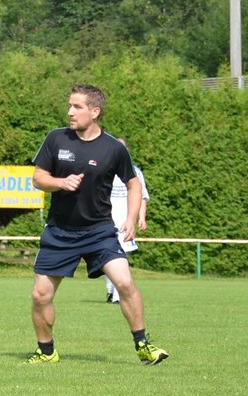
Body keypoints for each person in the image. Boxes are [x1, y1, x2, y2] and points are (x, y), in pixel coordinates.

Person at [26, 84, 167, 366]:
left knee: (124, 282)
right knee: (40, 295)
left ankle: (143, 346)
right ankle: (46, 351)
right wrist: (60, 182)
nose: (70, 111)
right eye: (70, 105)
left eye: (77, 107)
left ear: (95, 111)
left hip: (99, 232)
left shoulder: (113, 148)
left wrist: (131, 218)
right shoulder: (56, 139)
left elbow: (134, 183)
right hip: (60, 231)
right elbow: (38, 178)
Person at [102, 163, 149, 303]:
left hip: (125, 222)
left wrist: (141, 217)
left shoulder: (135, 171)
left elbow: (142, 196)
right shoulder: (104, 166)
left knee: (121, 257)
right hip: (104, 220)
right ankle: (110, 289)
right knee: (101, 259)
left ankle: (117, 296)